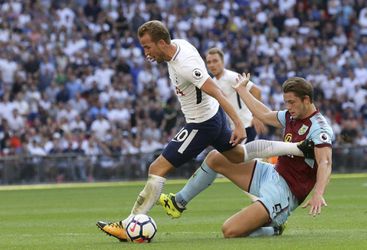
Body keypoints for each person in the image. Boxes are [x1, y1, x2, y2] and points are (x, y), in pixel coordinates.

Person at [96, 20, 310, 242]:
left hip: (202, 125)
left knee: (157, 167)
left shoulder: (185, 65)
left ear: (161, 43)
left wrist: (237, 122)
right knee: (238, 156)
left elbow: (217, 91)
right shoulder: (178, 45)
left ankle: (130, 223)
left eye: (147, 47)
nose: (145, 52)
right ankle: (291, 154)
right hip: (213, 117)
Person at [160, 74, 333, 238]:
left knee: (230, 230)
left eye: (291, 102)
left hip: (285, 192)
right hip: (271, 174)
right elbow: (264, 114)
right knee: (215, 158)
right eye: (286, 102)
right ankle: (178, 202)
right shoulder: (292, 116)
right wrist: (242, 91)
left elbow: (325, 162)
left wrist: (318, 193)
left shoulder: (319, 128)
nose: (288, 107)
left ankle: (275, 229)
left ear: (307, 100)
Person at [205, 47, 266, 142]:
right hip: (234, 128)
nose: (212, 65)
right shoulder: (212, 82)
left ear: (223, 62)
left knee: (245, 155)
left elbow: (256, 91)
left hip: (246, 125)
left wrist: (256, 116)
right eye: (209, 62)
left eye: (215, 61)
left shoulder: (232, 76)